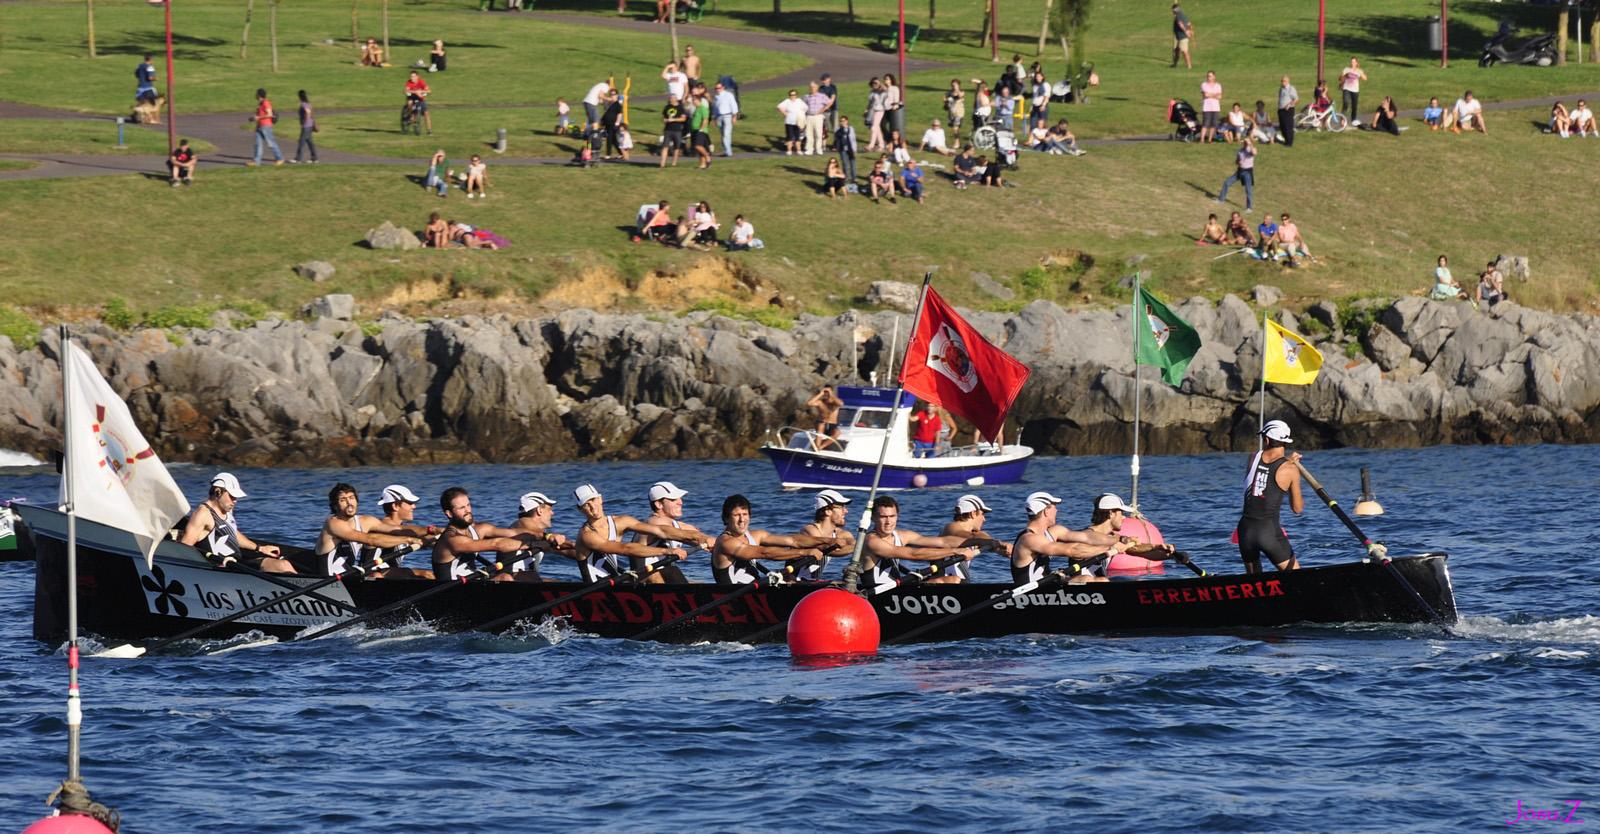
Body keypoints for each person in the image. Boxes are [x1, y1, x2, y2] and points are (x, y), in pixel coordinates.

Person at [179, 473, 295, 573]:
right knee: (281, 567)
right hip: (222, 569)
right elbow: (184, 548)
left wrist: (259, 548)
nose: (235, 501)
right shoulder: (202, 514)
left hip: (238, 563)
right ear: (217, 492)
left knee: (284, 564)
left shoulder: (226, 509)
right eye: (232, 496)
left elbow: (232, 533)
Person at [569, 484, 685, 583]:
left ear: (600, 499)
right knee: (662, 574)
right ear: (580, 509)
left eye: (594, 500)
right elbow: (625, 549)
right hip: (597, 591)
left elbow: (659, 530)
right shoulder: (586, 535)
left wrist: (700, 538)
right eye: (586, 504)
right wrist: (667, 551)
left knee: (671, 572)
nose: (593, 507)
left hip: (615, 583)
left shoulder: (620, 521)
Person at [315, 484, 434, 579]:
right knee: (378, 576)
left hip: (349, 575)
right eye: (343, 500)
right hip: (329, 579)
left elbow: (398, 530)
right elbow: (370, 539)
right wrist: (408, 539)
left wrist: (434, 531)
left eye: (352, 498)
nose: (349, 503)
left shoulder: (366, 521)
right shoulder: (333, 523)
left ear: (357, 501)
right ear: (335, 506)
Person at [861, 495, 981, 589]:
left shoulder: (903, 535)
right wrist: (955, 551)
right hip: (879, 594)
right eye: (883, 517)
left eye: (892, 516)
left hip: (898, 589)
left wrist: (985, 543)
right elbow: (914, 554)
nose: (888, 522)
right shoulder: (871, 541)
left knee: (953, 580)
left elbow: (943, 542)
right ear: (872, 518)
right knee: (945, 581)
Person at [711, 495, 830, 585]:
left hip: (756, 590)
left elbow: (793, 540)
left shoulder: (756, 535)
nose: (742, 520)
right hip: (735, 597)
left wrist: (828, 541)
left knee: (790, 579)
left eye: (745, 514)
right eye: (736, 515)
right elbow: (764, 553)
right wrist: (805, 552)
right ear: (726, 518)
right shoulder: (725, 542)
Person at [1010, 491, 1120, 585]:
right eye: (1054, 507)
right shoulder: (1029, 539)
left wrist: (1120, 540)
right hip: (1032, 594)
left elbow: (1087, 537)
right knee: (1091, 580)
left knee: (1099, 580)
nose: (1057, 511)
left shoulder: (1054, 531)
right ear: (1046, 511)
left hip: (1048, 584)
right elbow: (1073, 550)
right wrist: (1111, 549)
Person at [1237, 420, 1304, 573]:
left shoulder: (1252, 458)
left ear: (1266, 439)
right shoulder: (1290, 469)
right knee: (1298, 579)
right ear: (1285, 440)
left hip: (1245, 531)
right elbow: (1297, 509)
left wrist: (1288, 461)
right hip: (1268, 532)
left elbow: (1267, 467)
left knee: (1255, 585)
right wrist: (1292, 466)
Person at [431, 487, 538, 581]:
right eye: (462, 508)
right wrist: (534, 545)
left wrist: (546, 536)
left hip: (472, 581)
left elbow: (513, 532)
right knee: (505, 578)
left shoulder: (479, 529)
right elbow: (497, 544)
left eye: (468, 505)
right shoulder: (452, 539)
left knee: (526, 576)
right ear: (449, 513)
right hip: (452, 591)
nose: (468, 510)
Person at [626, 482, 715, 584]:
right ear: (659, 504)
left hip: (665, 577)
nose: (680, 502)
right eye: (673, 499)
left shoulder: (679, 525)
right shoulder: (653, 522)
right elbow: (684, 535)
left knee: (698, 582)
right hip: (644, 580)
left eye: (680, 498)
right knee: (671, 571)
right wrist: (703, 539)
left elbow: (698, 537)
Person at [503, 492, 577, 581]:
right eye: (549, 509)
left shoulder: (539, 534)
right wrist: (572, 544)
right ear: (539, 510)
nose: (552, 513)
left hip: (528, 579)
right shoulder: (521, 524)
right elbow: (531, 532)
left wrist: (584, 552)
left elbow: (561, 550)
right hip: (511, 580)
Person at [939, 494, 1011, 584]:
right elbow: (968, 536)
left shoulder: (975, 535)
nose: (984, 519)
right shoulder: (950, 528)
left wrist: (1002, 550)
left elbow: (983, 538)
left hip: (961, 583)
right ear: (973, 513)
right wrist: (996, 542)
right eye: (982, 514)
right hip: (943, 584)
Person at [1215, 135, 1256, 212]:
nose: (1245, 143)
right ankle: (1221, 199)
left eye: (1246, 142)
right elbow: (1237, 160)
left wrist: (1250, 144)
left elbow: (1254, 153)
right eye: (1244, 142)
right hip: (1239, 171)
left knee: (1248, 190)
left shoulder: (1250, 150)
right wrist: (1238, 162)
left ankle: (1249, 208)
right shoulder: (1240, 151)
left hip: (1247, 173)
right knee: (1226, 183)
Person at [247, 88, 285, 167]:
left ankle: (280, 158)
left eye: (256, 94)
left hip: (266, 126)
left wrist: (258, 118)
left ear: (259, 95)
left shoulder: (266, 103)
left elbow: (270, 114)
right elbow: (260, 114)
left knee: (271, 143)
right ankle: (256, 162)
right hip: (260, 126)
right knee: (258, 144)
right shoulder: (260, 104)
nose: (255, 95)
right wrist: (254, 119)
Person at [656, 94, 688, 167]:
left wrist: (674, 119)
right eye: (670, 98)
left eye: (672, 98)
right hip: (668, 129)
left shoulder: (680, 108)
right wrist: (664, 120)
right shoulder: (667, 107)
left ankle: (674, 163)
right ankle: (662, 164)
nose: (671, 100)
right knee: (665, 146)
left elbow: (683, 118)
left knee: (676, 147)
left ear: (676, 99)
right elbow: (663, 117)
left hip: (677, 130)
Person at [803, 81, 832, 156]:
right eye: (811, 87)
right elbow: (803, 106)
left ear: (817, 88)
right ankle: (810, 149)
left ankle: (819, 149)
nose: (812, 88)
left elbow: (829, 103)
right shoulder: (806, 96)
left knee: (819, 134)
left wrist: (822, 110)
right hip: (809, 116)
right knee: (809, 134)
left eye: (814, 87)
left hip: (818, 116)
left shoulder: (822, 96)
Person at [688, 88, 714, 169]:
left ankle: (708, 157)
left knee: (698, 146)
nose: (693, 102)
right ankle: (702, 165)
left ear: (698, 101)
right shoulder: (696, 109)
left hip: (701, 131)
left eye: (694, 100)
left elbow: (705, 119)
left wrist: (701, 129)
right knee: (699, 150)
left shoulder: (703, 108)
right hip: (694, 131)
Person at [713, 81, 739, 157]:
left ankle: (728, 152)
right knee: (722, 134)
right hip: (719, 117)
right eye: (716, 88)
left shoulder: (728, 95)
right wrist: (714, 118)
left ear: (723, 88)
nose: (717, 89)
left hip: (728, 116)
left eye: (719, 88)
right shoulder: (716, 97)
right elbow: (715, 108)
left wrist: (734, 116)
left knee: (726, 134)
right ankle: (726, 150)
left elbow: (733, 105)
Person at [777, 88, 807, 156]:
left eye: (794, 95)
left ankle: (798, 150)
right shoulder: (787, 101)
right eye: (791, 95)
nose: (793, 96)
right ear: (789, 95)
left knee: (798, 137)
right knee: (789, 137)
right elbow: (779, 107)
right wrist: (785, 113)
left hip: (797, 122)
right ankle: (789, 150)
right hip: (789, 122)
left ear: (796, 95)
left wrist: (801, 115)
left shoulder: (799, 101)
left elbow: (805, 108)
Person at [1338, 58, 1367, 126]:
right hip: (1346, 88)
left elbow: (1365, 78)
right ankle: (1342, 120)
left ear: (1356, 63)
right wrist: (1345, 75)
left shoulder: (1359, 71)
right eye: (1351, 62)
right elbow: (1340, 78)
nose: (1352, 63)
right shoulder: (1346, 69)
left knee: (1354, 106)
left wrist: (1360, 72)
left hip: (1355, 90)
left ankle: (1353, 120)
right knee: (1345, 103)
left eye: (1354, 62)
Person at [291, 90, 318, 164]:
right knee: (310, 142)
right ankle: (314, 158)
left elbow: (308, 113)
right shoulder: (309, 104)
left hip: (306, 126)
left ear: (300, 96)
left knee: (301, 142)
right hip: (310, 125)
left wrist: (304, 122)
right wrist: (313, 122)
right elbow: (312, 114)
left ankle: (298, 158)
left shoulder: (303, 104)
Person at [404, 71, 433, 135]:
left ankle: (429, 130)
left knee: (426, 113)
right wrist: (415, 92)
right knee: (409, 102)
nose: (412, 78)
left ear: (417, 77)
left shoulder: (421, 82)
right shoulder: (409, 82)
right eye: (411, 76)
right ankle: (411, 115)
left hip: (420, 99)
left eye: (413, 76)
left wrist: (422, 91)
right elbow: (406, 90)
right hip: (412, 98)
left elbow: (428, 90)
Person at [833, 115, 858, 187]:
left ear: (847, 121)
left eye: (843, 121)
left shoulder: (851, 129)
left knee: (853, 163)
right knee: (845, 164)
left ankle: (854, 178)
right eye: (841, 121)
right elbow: (837, 137)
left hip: (851, 149)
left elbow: (853, 139)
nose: (842, 122)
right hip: (843, 149)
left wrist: (854, 149)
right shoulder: (838, 130)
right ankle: (846, 177)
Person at [1199, 71, 1222, 143]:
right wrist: (1215, 95)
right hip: (1207, 107)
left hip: (1215, 108)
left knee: (1213, 124)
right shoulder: (1204, 85)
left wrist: (1211, 95)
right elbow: (1205, 95)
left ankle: (1210, 139)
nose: (1209, 77)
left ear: (1214, 76)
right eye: (1208, 76)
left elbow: (1220, 96)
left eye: (1210, 76)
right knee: (1205, 124)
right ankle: (1202, 139)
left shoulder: (1218, 85)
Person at [1171, 3, 1195, 69]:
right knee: (1177, 50)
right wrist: (1191, 30)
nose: (1172, 11)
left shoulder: (1178, 15)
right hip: (1180, 37)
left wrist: (1186, 32)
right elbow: (1189, 23)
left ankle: (1189, 66)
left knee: (1184, 51)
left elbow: (1180, 24)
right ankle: (1175, 64)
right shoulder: (1183, 15)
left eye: (1172, 10)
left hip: (1182, 36)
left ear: (1175, 9)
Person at [1277, 75, 1298, 148]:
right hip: (1281, 110)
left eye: (1284, 81)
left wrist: (1289, 105)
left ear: (1288, 81)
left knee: (1288, 126)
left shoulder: (1291, 89)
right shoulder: (1281, 89)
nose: (1282, 82)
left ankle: (1289, 142)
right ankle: (1286, 140)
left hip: (1288, 110)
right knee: (1282, 126)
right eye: (1282, 81)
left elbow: (1296, 99)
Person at [883, 73, 906, 142]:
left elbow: (896, 98)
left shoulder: (894, 88)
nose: (885, 80)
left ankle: (894, 140)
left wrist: (895, 105)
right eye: (885, 79)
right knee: (882, 125)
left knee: (893, 126)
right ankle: (888, 138)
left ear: (891, 80)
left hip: (892, 109)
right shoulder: (884, 89)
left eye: (887, 79)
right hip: (885, 109)